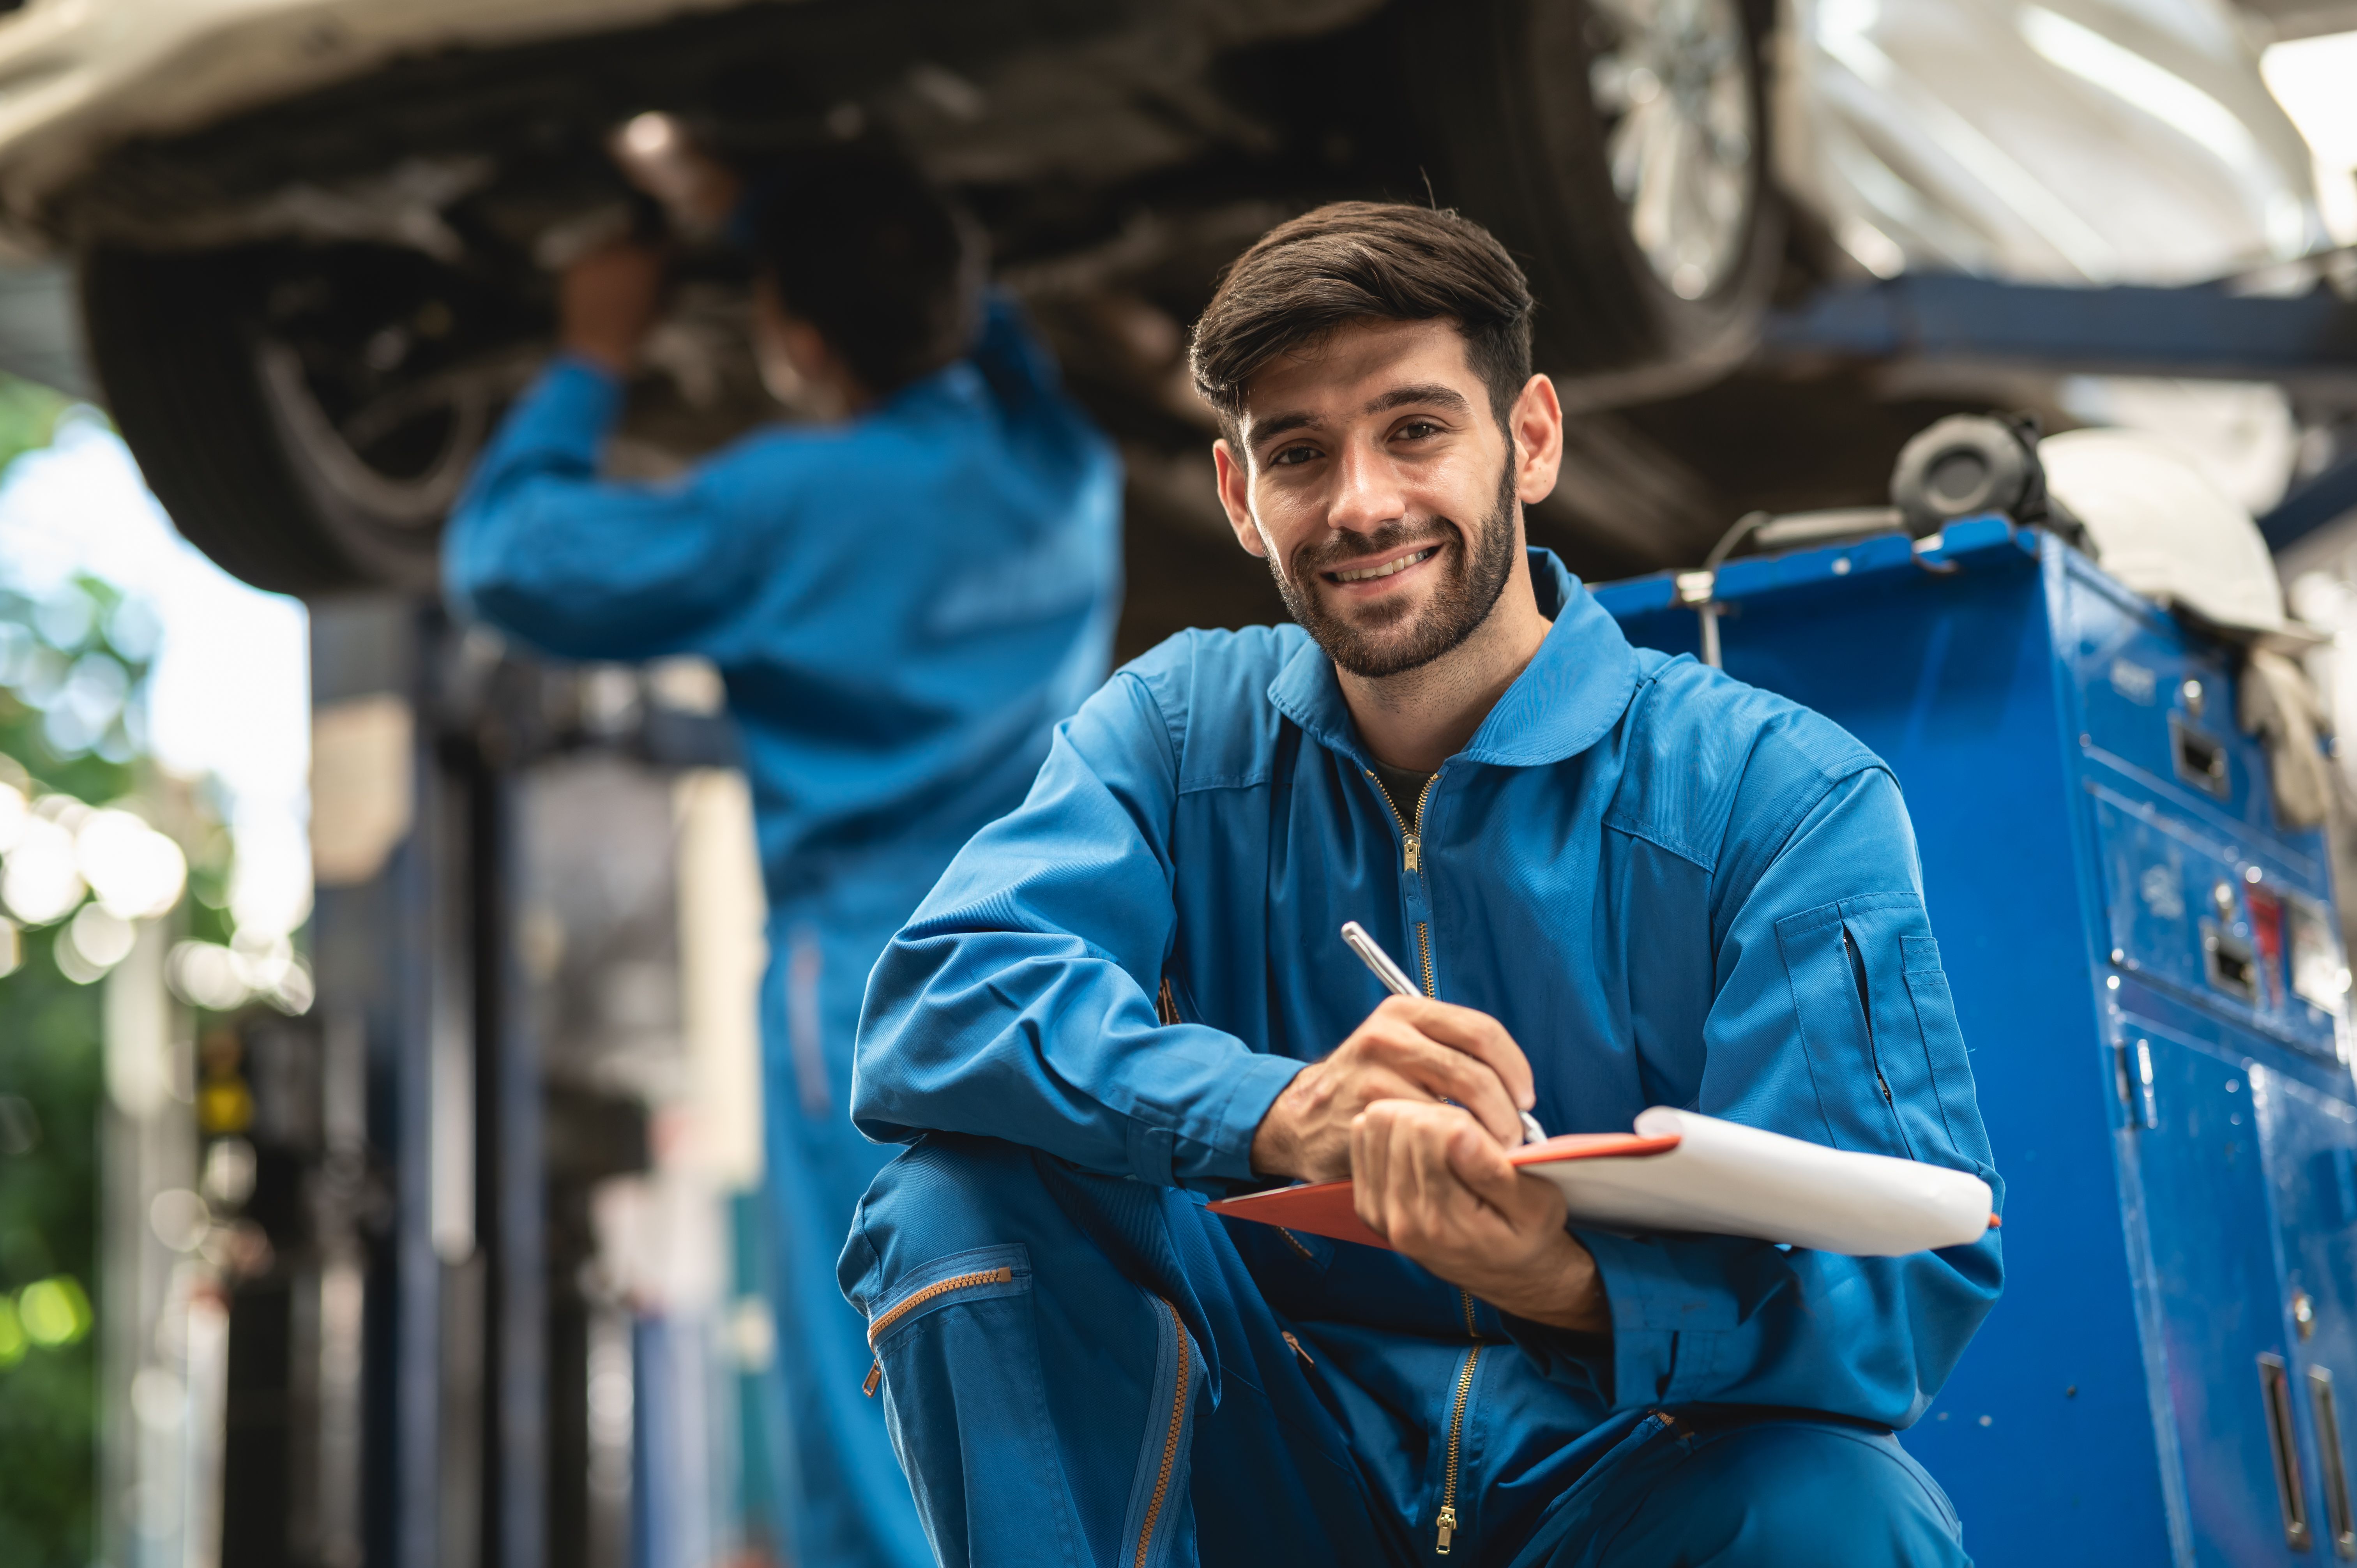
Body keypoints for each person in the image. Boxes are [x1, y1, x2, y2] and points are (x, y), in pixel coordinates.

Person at [839, 201, 2004, 1567]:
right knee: (954, 1201)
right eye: (1298, 454)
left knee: (1845, 1518)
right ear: (1238, 498)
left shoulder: (1778, 797)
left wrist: (1565, 1284)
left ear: (1532, 441)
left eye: (1414, 429)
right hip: (1277, 1462)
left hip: (1616, 1485)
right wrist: (1281, 1108)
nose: (1361, 504)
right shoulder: (1172, 731)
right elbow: (939, 1009)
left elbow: (1907, 1281)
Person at [442, 141, 1122, 1568]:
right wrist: (773, 210)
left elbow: (505, 558)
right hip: (1061, 968)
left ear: (800, 344)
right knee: (1030, 1340)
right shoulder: (1065, 472)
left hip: (866, 985)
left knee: (875, 1353)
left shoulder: (786, 503)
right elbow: (966, 320)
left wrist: (589, 355)